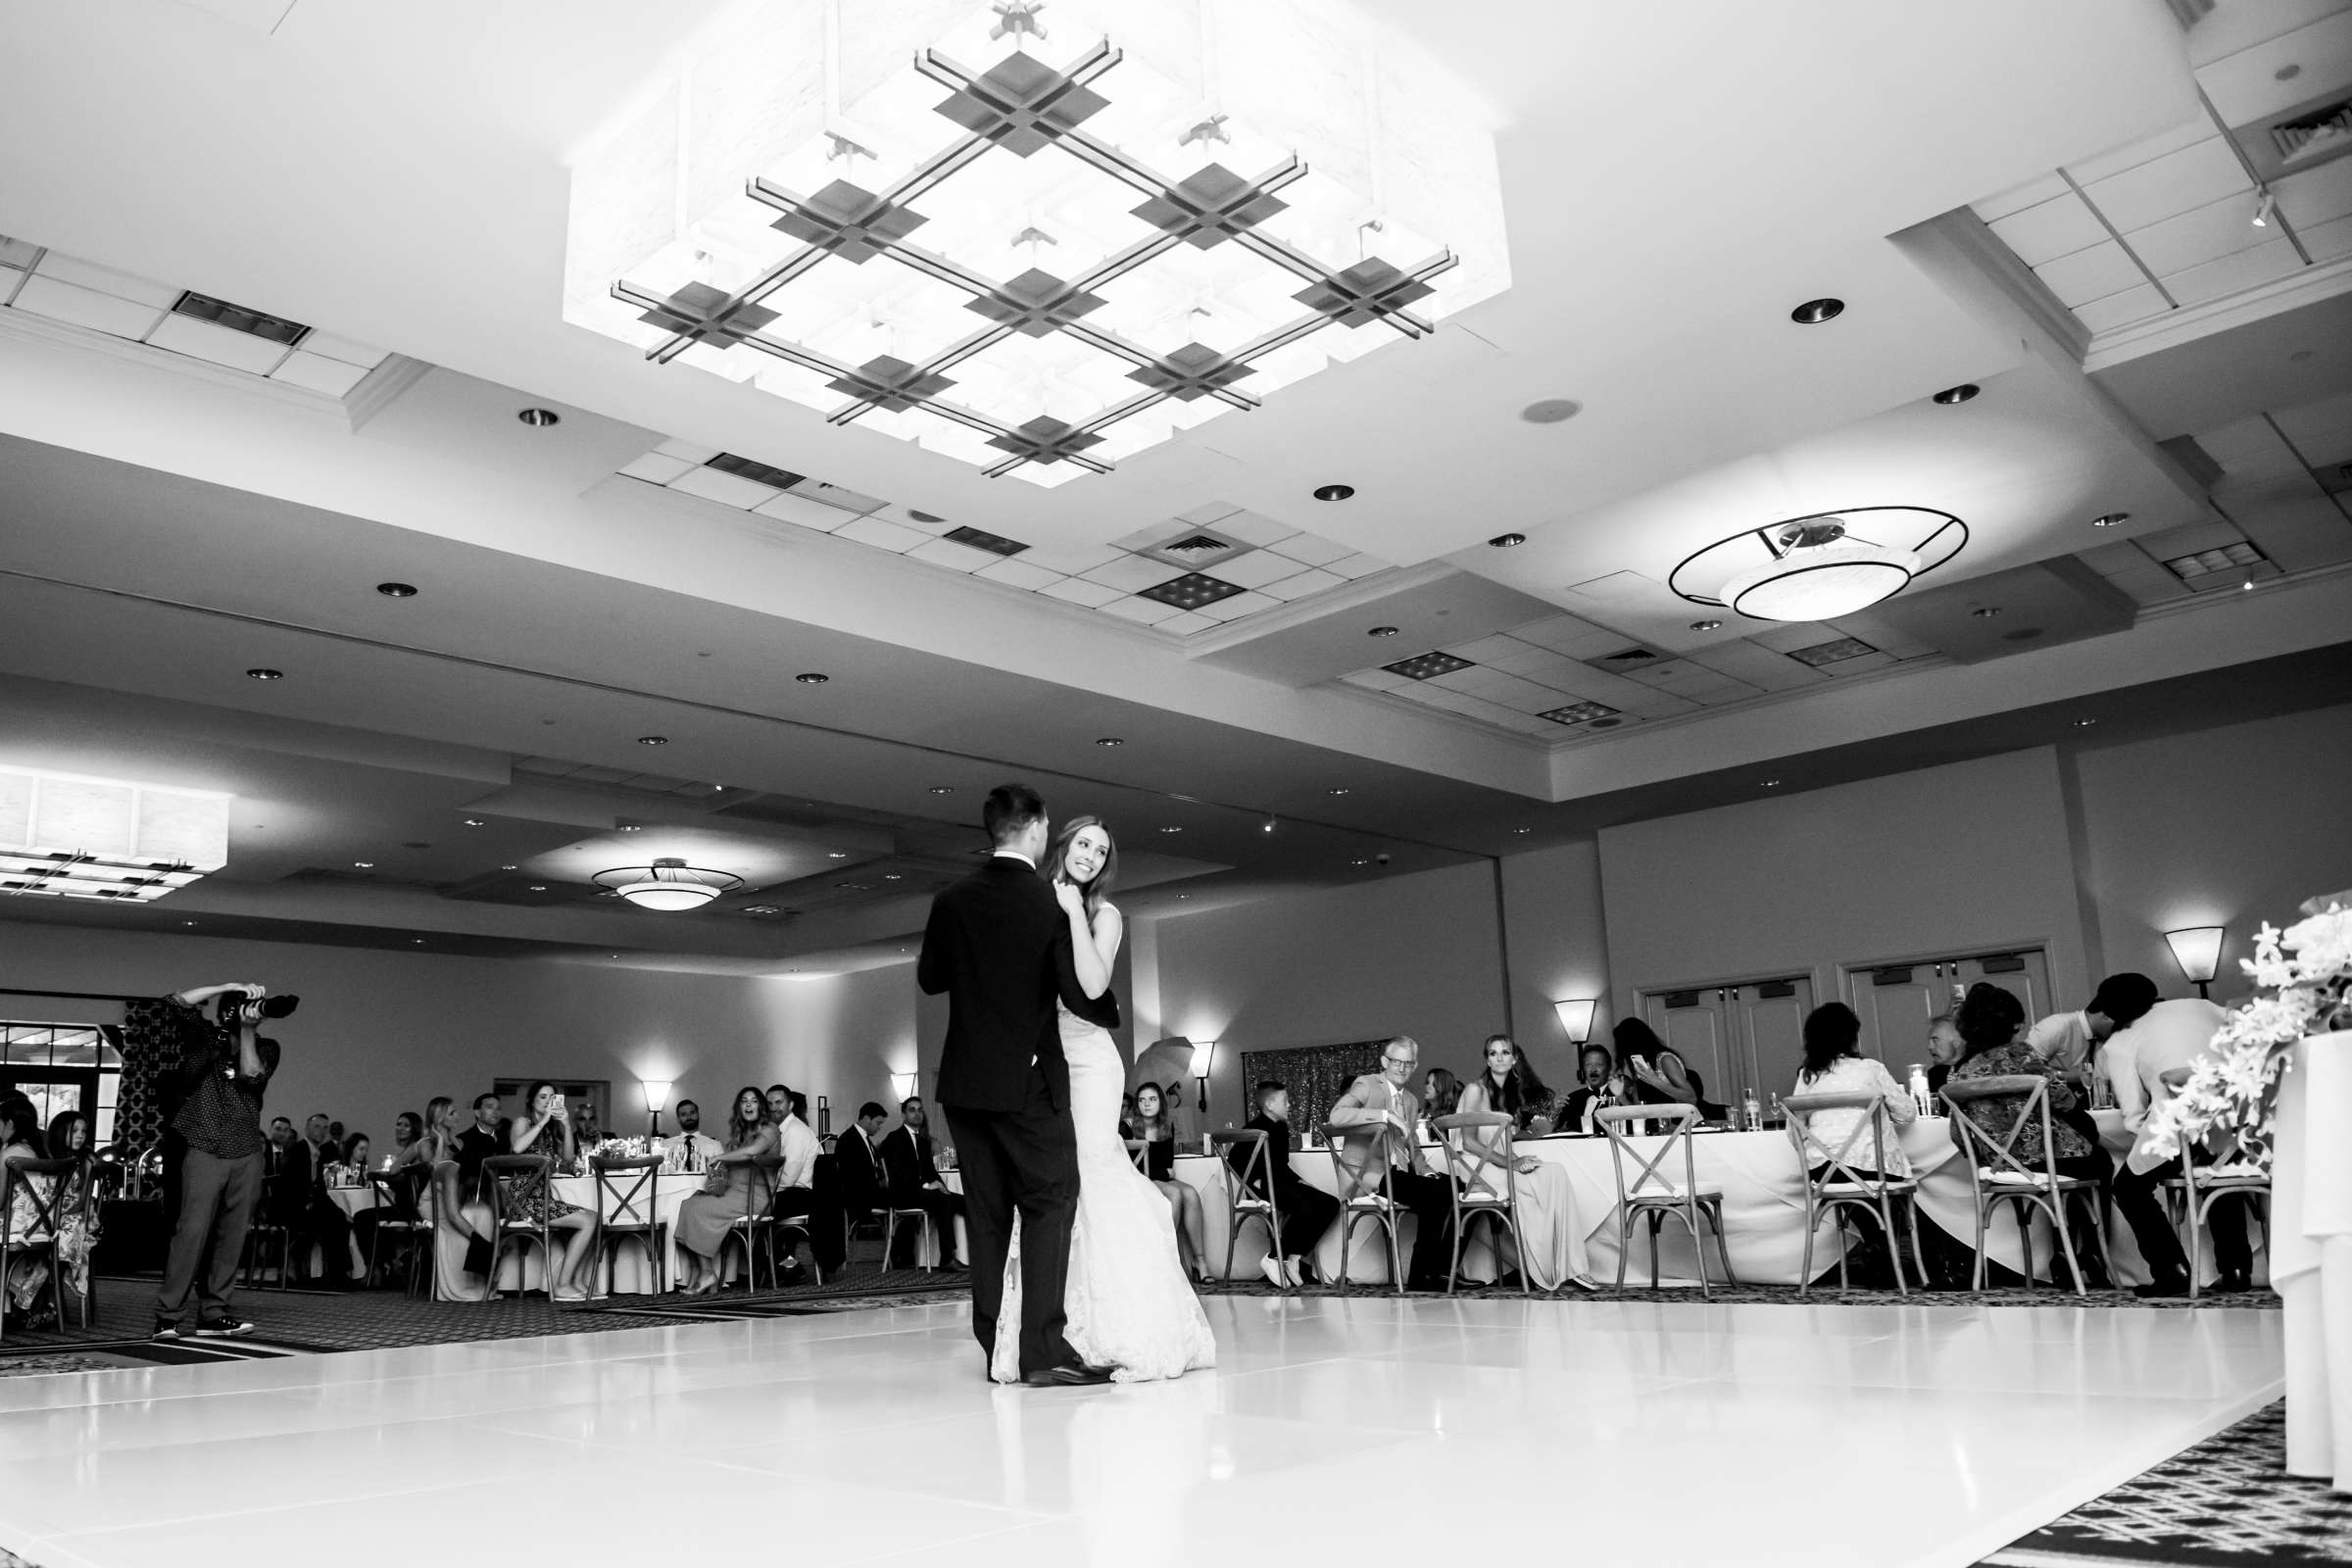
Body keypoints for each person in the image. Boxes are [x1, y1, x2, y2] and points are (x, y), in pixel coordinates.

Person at [1006, 812, 1213, 1381]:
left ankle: (1120, 1322)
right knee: (1051, 1180)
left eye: (1101, 852)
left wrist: (1074, 914)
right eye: (1083, 845)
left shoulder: (1105, 914)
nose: (1091, 857)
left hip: (1090, 1059)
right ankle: (1050, 1331)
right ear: (1062, 845)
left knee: (1093, 1169)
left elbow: (1094, 986)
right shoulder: (1029, 903)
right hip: (1042, 1058)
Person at [917, 783, 1105, 1387]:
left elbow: (931, 978)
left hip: (965, 1082)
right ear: (1036, 829)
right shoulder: (1051, 902)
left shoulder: (951, 898)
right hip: (1027, 1081)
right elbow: (1080, 994)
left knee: (987, 1212)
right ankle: (1042, 1349)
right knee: (1052, 1200)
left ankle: (995, 1343)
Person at [1947, 984, 2146, 1294]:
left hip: (2000, 1167)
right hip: (2052, 1159)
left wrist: (1993, 1156)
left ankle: (2066, 1254)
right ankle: (2088, 1251)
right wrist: (2089, 1131)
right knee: (2098, 1160)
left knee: (2078, 1166)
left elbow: (1958, 1136)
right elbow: (2063, 1100)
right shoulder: (2023, 1056)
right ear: (2013, 1025)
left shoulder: (1959, 1074)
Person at [153, 981, 281, 1339]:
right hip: (204, 1146)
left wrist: (248, 1030)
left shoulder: (267, 1047)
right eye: (239, 1007)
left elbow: (252, 1076)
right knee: (191, 1232)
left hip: (246, 1151)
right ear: (225, 1010)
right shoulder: (204, 1039)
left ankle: (213, 1313)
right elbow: (175, 1001)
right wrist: (229, 985)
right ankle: (168, 1315)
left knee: (232, 1235)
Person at [2103, 995, 2239, 1293]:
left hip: (2180, 1122)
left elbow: (2132, 1116)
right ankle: (2237, 1270)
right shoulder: (2202, 1006)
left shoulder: (2121, 1041)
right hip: (2239, 1122)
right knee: (2217, 1172)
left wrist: (2147, 1129)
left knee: (2128, 1188)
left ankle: (2171, 1270)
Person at [1453, 1036, 1598, 1292]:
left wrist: (1521, 1147)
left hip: (1497, 1165)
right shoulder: (1476, 1090)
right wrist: (1513, 1162)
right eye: (1493, 1053)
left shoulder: (1506, 1094)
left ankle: (1573, 1267)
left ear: (1514, 1059)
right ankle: (1543, 1269)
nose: (1499, 1057)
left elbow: (1503, 1139)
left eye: (1505, 1052)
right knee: (1536, 1187)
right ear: (1487, 1059)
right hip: (1476, 1170)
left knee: (1555, 1173)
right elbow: (1469, 1143)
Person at [1329, 1037, 1457, 1291]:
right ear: (1384, 1061)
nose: (1402, 1068)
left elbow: (1413, 1148)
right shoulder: (1366, 1085)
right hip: (1364, 1177)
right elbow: (1337, 1116)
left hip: (1396, 1175)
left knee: (1454, 1186)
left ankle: (1440, 1271)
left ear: (1415, 1065)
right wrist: (1385, 1115)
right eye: (1396, 1061)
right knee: (1437, 1194)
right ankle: (1423, 1275)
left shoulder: (1409, 1100)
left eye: (1408, 1063)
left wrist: (1427, 1171)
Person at [1790, 1003, 1916, 1180]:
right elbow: (1907, 1114)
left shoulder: (1808, 1076)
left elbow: (1794, 1132)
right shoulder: (1871, 1069)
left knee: (1859, 1193)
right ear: (1851, 1036)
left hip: (1822, 1171)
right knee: (1882, 1195)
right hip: (1871, 1165)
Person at [1230, 1081, 1338, 1287]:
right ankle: (1273, 1257)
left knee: (1330, 1203)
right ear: (1269, 1105)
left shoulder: (1281, 1128)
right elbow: (1235, 1159)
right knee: (1307, 1206)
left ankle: (1293, 1256)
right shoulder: (1252, 1129)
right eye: (1285, 1101)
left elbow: (1280, 1165)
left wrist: (1300, 1181)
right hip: (1261, 1190)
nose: (1290, 1105)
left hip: (1282, 1185)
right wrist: (1254, 1181)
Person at [673, 1086, 780, 1294]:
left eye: (754, 1100)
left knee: (695, 1208)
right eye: (744, 1101)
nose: (748, 1104)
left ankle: (706, 1274)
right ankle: (704, 1272)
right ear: (739, 1107)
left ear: (761, 1106)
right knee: (690, 1203)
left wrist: (718, 1157)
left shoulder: (770, 1129)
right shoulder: (740, 1134)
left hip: (755, 1197)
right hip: (735, 1193)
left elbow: (751, 1153)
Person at [504, 1082, 598, 1300]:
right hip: (523, 1200)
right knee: (588, 1222)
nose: (548, 1102)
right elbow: (517, 1148)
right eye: (543, 1097)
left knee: (594, 1218)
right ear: (531, 1100)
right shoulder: (522, 1122)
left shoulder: (549, 1130)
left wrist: (564, 1123)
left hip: (542, 1198)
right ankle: (563, 1285)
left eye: (552, 1097)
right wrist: (544, 1120)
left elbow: (567, 1157)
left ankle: (576, 1281)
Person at [1123, 1084, 1205, 1283]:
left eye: (1152, 1099)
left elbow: (1168, 1163)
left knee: (1191, 1193)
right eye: (1142, 1100)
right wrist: (1162, 1172)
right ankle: (1167, 1257)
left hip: (1160, 1177)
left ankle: (1200, 1261)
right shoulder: (1127, 1126)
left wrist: (1163, 1172)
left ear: (1160, 1102)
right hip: (1139, 1180)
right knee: (1174, 1194)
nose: (1147, 1104)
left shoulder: (1166, 1125)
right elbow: (1127, 1166)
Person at [878, 1096, 966, 1270]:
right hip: (903, 1194)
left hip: (922, 1194)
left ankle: (977, 1253)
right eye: (912, 1110)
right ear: (903, 1115)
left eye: (920, 1110)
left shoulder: (923, 1141)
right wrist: (927, 1186)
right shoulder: (894, 1138)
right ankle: (947, 1258)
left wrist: (942, 1186)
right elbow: (897, 1174)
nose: (917, 1114)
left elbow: (931, 1171)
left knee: (964, 1201)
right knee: (944, 1201)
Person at [2030, 973, 2159, 1087]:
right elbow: (2020, 1072)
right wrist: (2064, 1075)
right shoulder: (2055, 1027)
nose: (2125, 1030)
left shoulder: (2106, 1039)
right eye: (2124, 1024)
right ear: (2106, 1017)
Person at [2, 1094, 59, 1332]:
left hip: (13, 1231)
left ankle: (6, 1308)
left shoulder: (9, 1155)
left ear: (10, 1124)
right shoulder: (40, 1152)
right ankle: (10, 1307)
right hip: (42, 1231)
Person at [764, 1084, 830, 1279]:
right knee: (753, 1215)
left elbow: (788, 1177)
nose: (774, 1108)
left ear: (790, 1104)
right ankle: (787, 1266)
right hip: (792, 1193)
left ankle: (784, 1266)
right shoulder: (781, 1130)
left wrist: (765, 1189)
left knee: (753, 1218)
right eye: (770, 1103)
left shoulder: (795, 1132)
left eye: (779, 1102)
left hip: (800, 1195)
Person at [41, 1108, 101, 1314]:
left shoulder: (85, 1159)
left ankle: (50, 1297)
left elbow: (83, 1200)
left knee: (64, 1232)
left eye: (83, 1131)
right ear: (60, 1131)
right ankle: (35, 1299)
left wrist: (63, 1215)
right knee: (39, 1233)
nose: (80, 1135)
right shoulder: (48, 1157)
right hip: (51, 1212)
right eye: (74, 1130)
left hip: (77, 1214)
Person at [1613, 1018, 1728, 1121]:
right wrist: (1621, 1096)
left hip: (1684, 1124)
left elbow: (1691, 1097)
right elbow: (1641, 1112)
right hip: (1660, 1126)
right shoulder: (1640, 1067)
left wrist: (1655, 1081)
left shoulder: (1664, 1059)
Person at [295, 1110, 352, 1288]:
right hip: (297, 1206)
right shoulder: (298, 1149)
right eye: (317, 1127)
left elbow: (320, 1186)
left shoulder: (320, 1153)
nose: (321, 1131)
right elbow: (296, 1183)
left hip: (313, 1205)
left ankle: (337, 1274)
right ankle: (337, 1275)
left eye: (325, 1128)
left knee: (338, 1217)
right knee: (336, 1218)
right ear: (307, 1128)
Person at [837, 1101, 890, 1233]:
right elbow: (852, 1175)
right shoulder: (849, 1140)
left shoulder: (864, 1139)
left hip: (868, 1192)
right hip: (860, 1196)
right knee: (904, 1199)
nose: (879, 1128)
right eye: (878, 1123)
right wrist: (879, 1183)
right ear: (867, 1118)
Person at [1558, 1045, 1629, 1132]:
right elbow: (1556, 1130)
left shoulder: (1620, 1094)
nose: (1593, 1070)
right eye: (1588, 1065)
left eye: (1599, 1064)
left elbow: (1637, 1123)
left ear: (1608, 1068)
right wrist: (1555, 1112)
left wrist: (1621, 1097)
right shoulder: (1573, 1098)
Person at [665, 1100, 724, 1169]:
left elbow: (720, 1174)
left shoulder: (715, 1145)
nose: (689, 1116)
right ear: (678, 1118)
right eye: (683, 1114)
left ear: (698, 1115)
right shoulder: (665, 1145)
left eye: (692, 1112)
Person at [1925, 1013, 1964, 1096]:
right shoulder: (1934, 1075)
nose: (1930, 1047)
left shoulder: (1977, 1071)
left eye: (1935, 1040)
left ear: (1957, 1040)